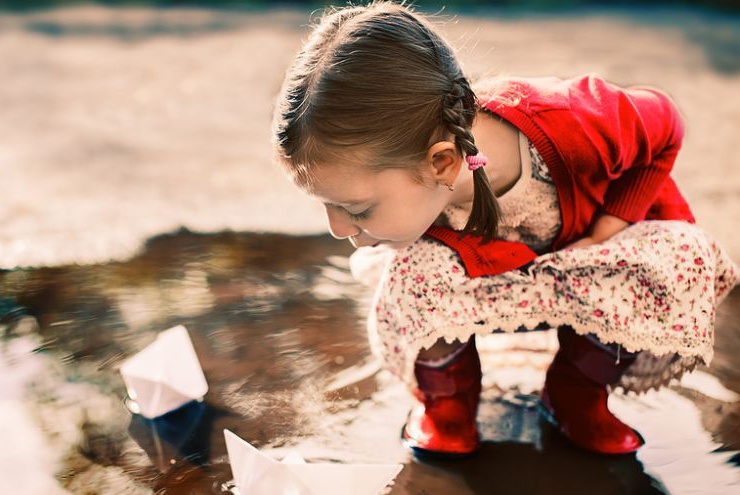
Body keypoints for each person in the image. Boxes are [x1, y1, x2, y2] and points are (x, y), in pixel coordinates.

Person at [270, 0, 740, 458]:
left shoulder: (574, 121)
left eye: (355, 208)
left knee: (681, 254)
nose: (335, 228)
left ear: (442, 163)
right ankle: (448, 404)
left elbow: (666, 123)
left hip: (584, 258)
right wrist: (369, 216)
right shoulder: (419, 175)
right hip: (486, 271)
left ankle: (577, 392)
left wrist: (614, 223)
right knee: (411, 272)